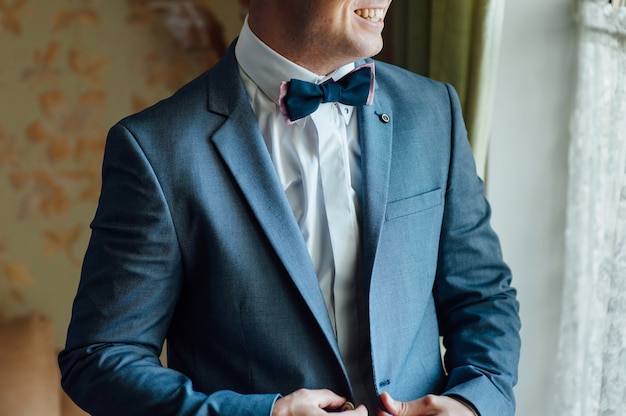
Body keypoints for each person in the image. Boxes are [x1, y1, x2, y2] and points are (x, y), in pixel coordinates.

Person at [59, 0, 521, 415]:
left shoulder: (433, 110)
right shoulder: (156, 149)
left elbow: (484, 295)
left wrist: (470, 404)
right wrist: (263, 415)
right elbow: (100, 356)